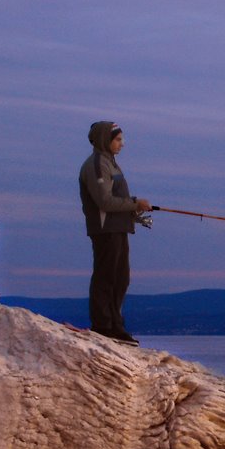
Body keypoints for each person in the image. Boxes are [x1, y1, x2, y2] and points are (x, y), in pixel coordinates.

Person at [78, 121, 151, 345]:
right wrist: (135, 203)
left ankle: (116, 324)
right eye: (118, 139)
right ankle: (103, 325)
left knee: (121, 277)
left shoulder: (111, 164)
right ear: (105, 140)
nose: (122, 144)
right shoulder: (97, 164)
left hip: (119, 228)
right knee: (106, 276)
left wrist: (133, 211)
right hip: (105, 229)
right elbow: (104, 201)